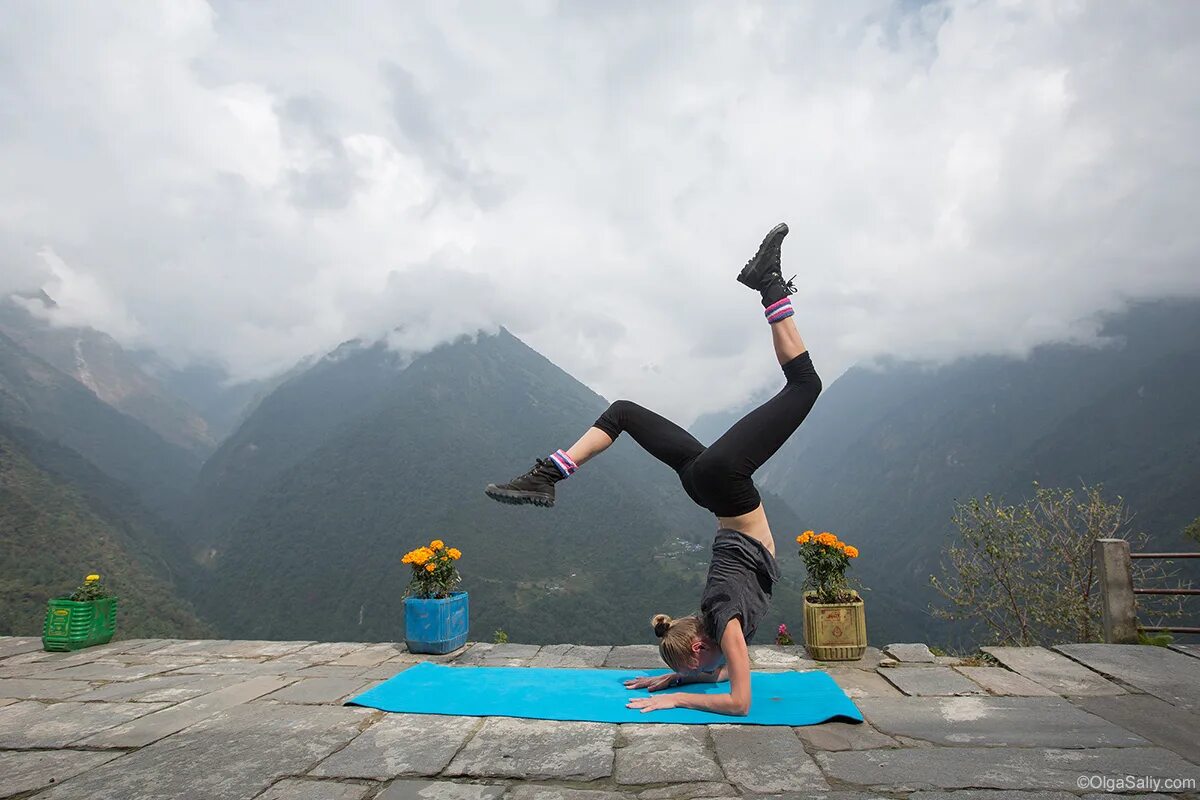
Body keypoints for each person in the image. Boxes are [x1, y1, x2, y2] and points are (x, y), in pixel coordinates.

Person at [484, 223, 821, 716]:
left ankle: (768, 281)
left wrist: (679, 691)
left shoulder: (724, 620)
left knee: (804, 386)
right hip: (702, 484)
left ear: (701, 645)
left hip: (724, 484)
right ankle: (549, 474)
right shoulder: (710, 620)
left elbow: (739, 700)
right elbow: (716, 667)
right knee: (620, 411)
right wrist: (676, 671)